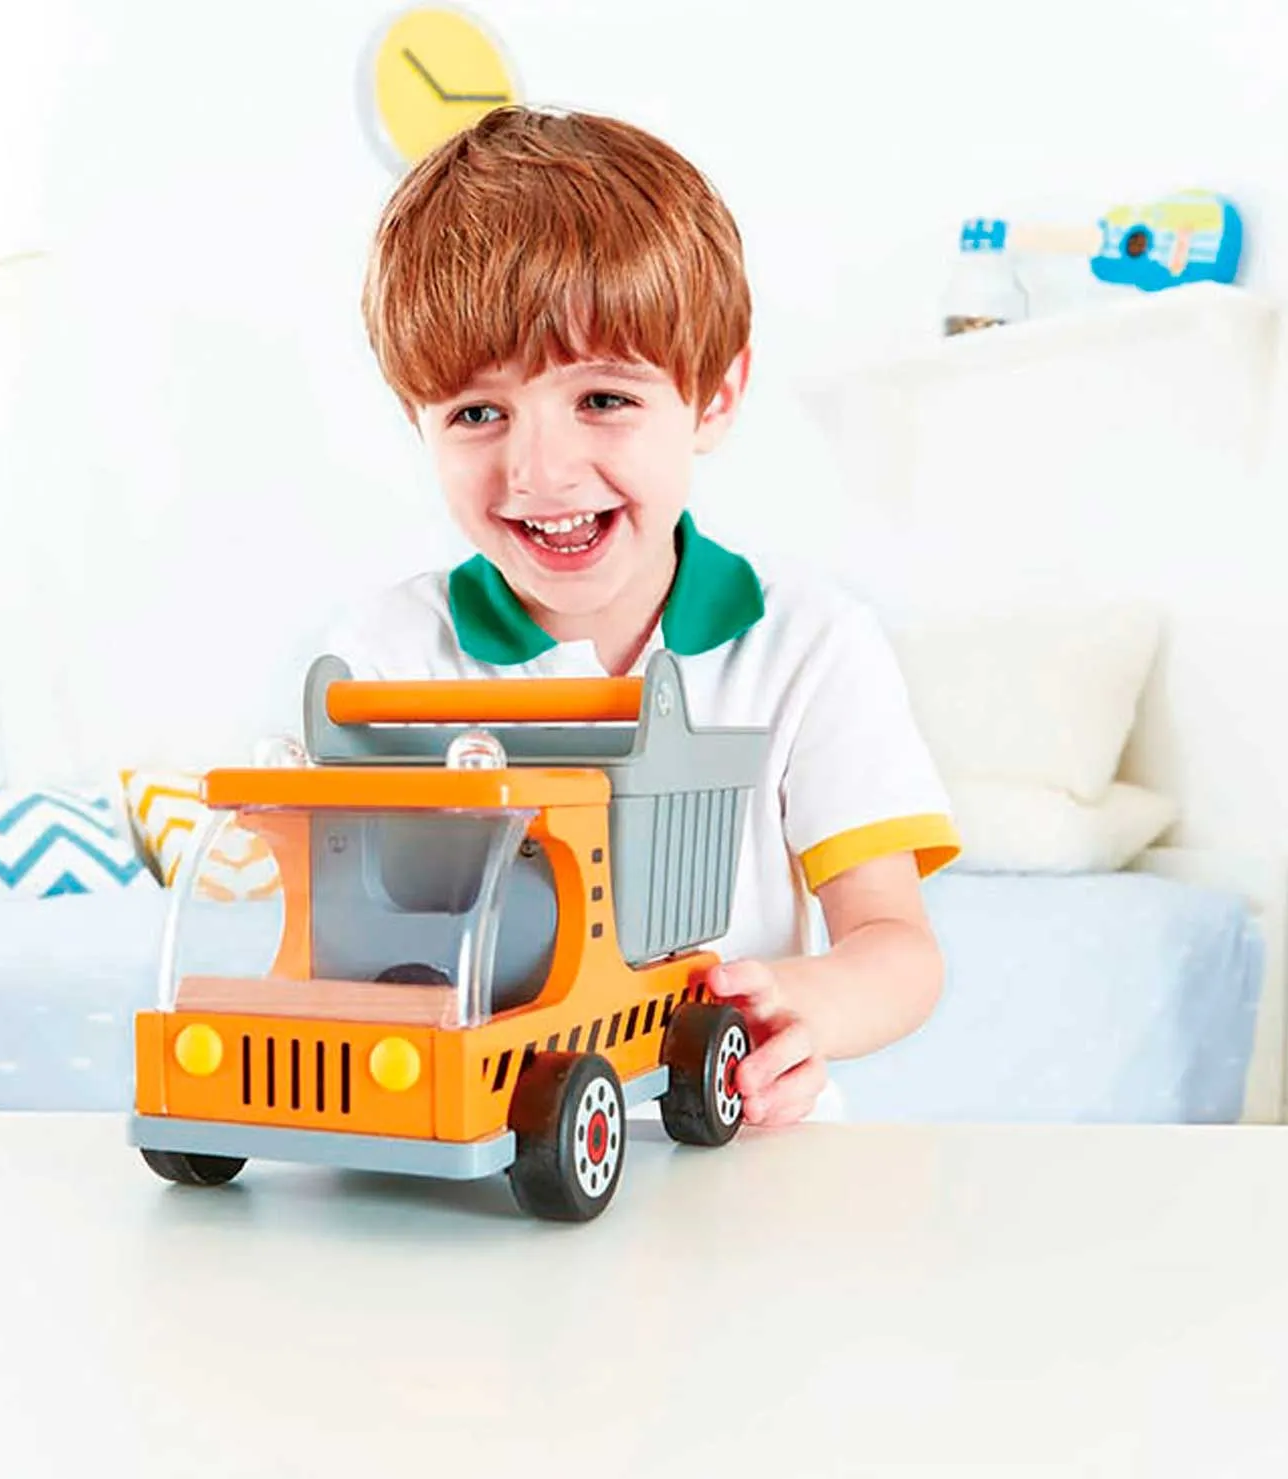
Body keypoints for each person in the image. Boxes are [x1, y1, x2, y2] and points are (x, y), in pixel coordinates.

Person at [314, 105, 960, 1126]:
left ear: (714, 397)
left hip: (735, 1147)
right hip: (481, 1149)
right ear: (418, 424)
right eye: (477, 413)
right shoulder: (381, 659)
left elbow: (896, 945)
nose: (541, 471)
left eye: (602, 400)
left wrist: (806, 1005)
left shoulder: (809, 645)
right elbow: (360, 948)